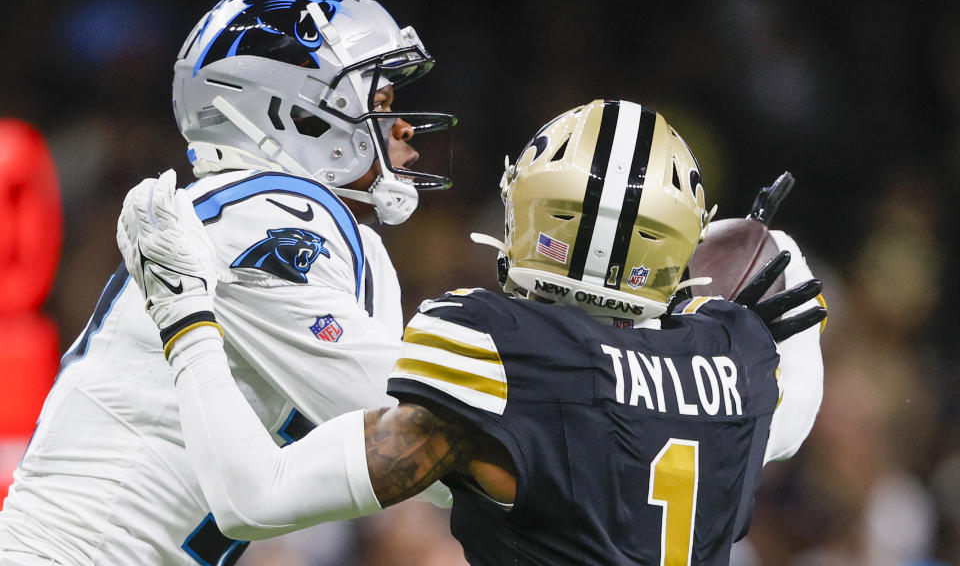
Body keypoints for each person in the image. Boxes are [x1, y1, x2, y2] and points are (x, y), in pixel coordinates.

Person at [117, 99, 827, 565]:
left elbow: (253, 498)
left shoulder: (496, 346)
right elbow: (787, 421)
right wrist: (787, 275)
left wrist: (185, 317)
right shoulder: (732, 358)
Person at [0, 0, 457, 565]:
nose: (402, 127)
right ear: (295, 110)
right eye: (381, 101)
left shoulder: (269, 212)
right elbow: (417, 423)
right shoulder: (271, 213)